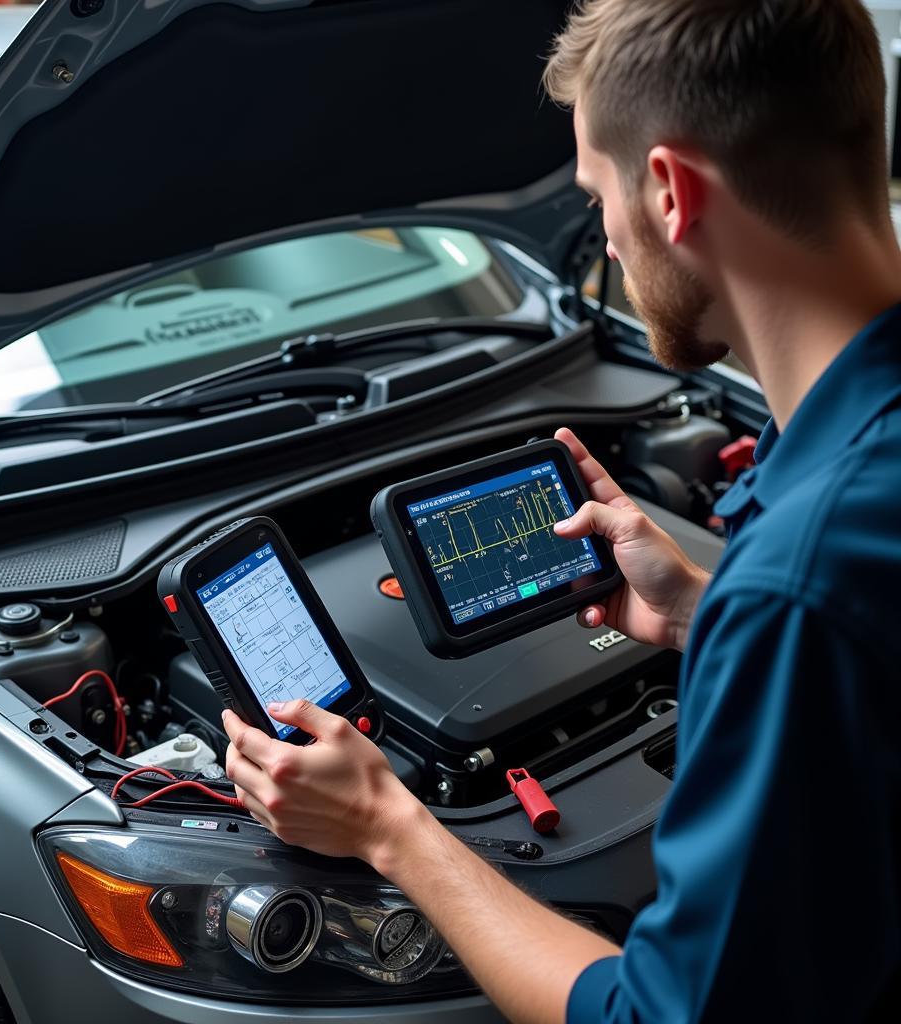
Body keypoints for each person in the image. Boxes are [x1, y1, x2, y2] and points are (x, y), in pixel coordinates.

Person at [221, 1, 901, 1020]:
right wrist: (698, 616)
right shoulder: (825, 541)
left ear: (669, 191)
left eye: (597, 197)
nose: (610, 243)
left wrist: (388, 825)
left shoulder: (799, 585)